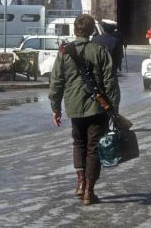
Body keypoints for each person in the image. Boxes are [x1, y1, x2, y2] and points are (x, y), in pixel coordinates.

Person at [49, 14, 120, 205]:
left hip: (73, 107)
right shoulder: (100, 51)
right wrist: (114, 110)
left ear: (74, 30)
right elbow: (110, 82)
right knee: (93, 148)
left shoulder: (64, 52)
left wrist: (56, 108)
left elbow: (56, 82)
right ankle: (89, 190)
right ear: (92, 32)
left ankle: (80, 182)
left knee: (78, 143)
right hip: (97, 107)